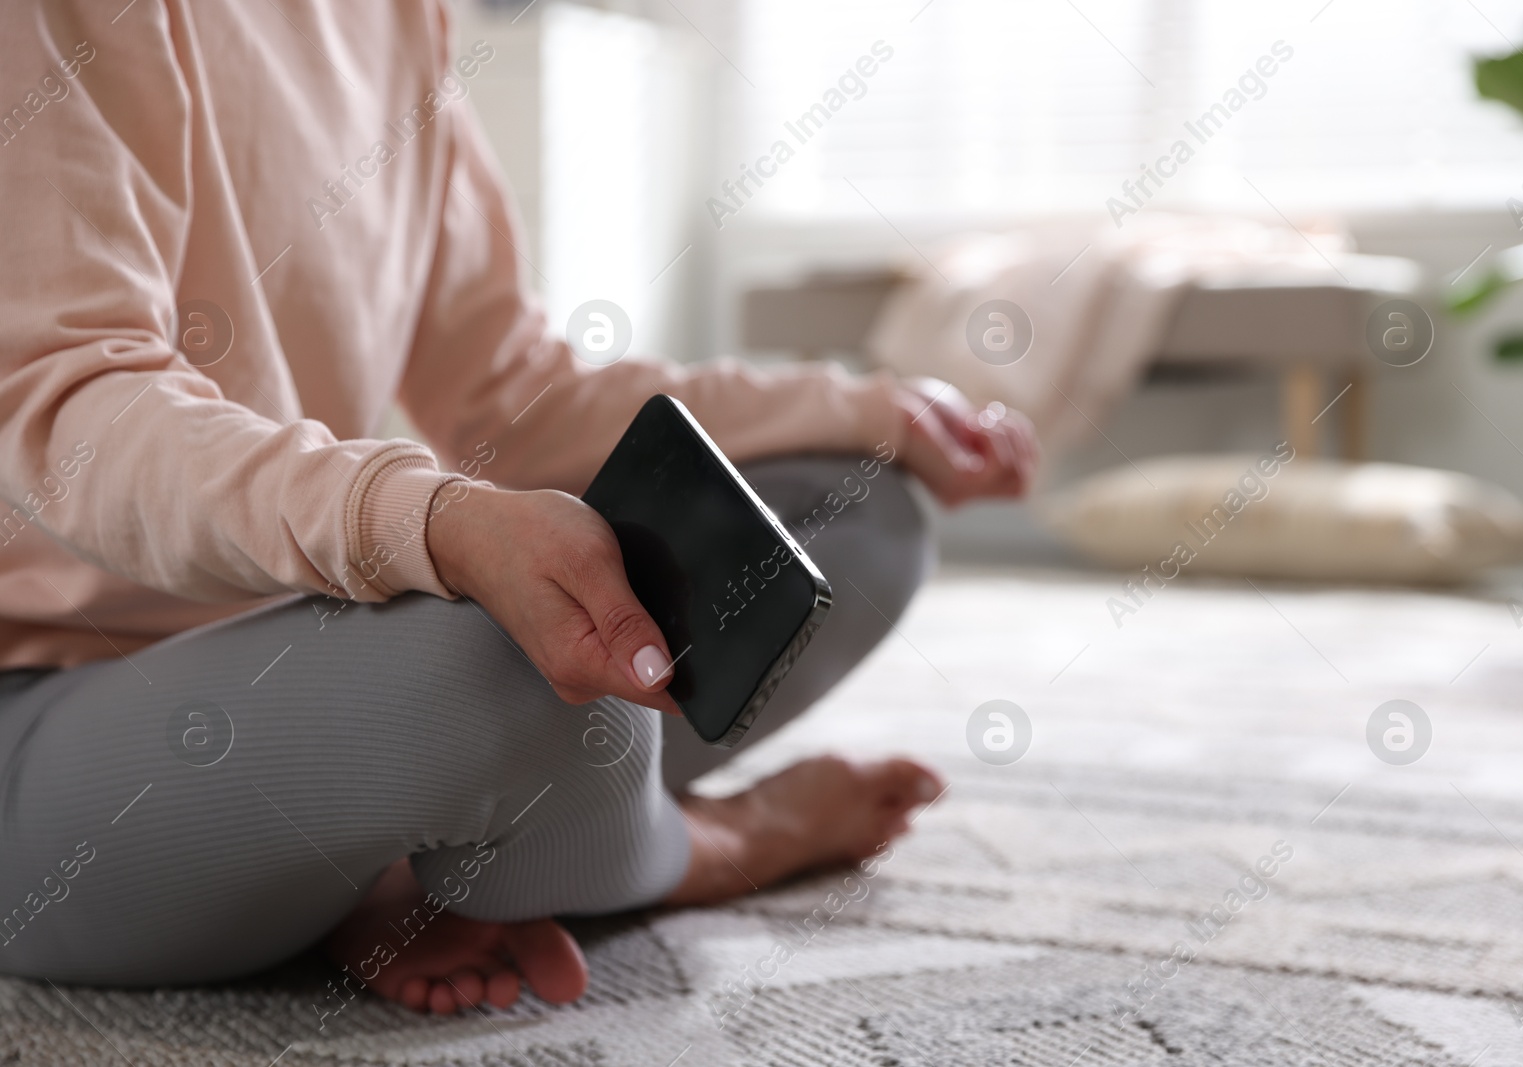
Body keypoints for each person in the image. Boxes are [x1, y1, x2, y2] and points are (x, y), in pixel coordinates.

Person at [0, 0, 1038, 1016]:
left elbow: (514, 394)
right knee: (512, 668)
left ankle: (440, 849)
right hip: (50, 715)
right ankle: (697, 845)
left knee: (861, 511)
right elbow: (67, 404)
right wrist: (432, 519)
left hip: (316, 644)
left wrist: (866, 405)